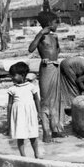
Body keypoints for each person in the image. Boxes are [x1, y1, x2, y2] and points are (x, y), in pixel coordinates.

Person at [28, 11, 61, 142]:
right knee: (45, 100)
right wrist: (40, 33)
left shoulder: (55, 36)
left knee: (55, 100)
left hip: (55, 67)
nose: (57, 25)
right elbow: (31, 48)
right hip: (46, 69)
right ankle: (46, 132)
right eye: (55, 22)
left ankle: (55, 129)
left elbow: (57, 50)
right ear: (48, 24)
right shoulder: (41, 36)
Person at [7, 62, 40, 158]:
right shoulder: (12, 89)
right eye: (11, 75)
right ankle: (23, 156)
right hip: (18, 116)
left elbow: (37, 100)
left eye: (13, 75)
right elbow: (9, 104)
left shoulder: (31, 87)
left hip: (30, 114)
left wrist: (39, 113)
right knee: (20, 136)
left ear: (22, 75)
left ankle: (36, 154)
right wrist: (9, 118)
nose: (12, 78)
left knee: (32, 134)